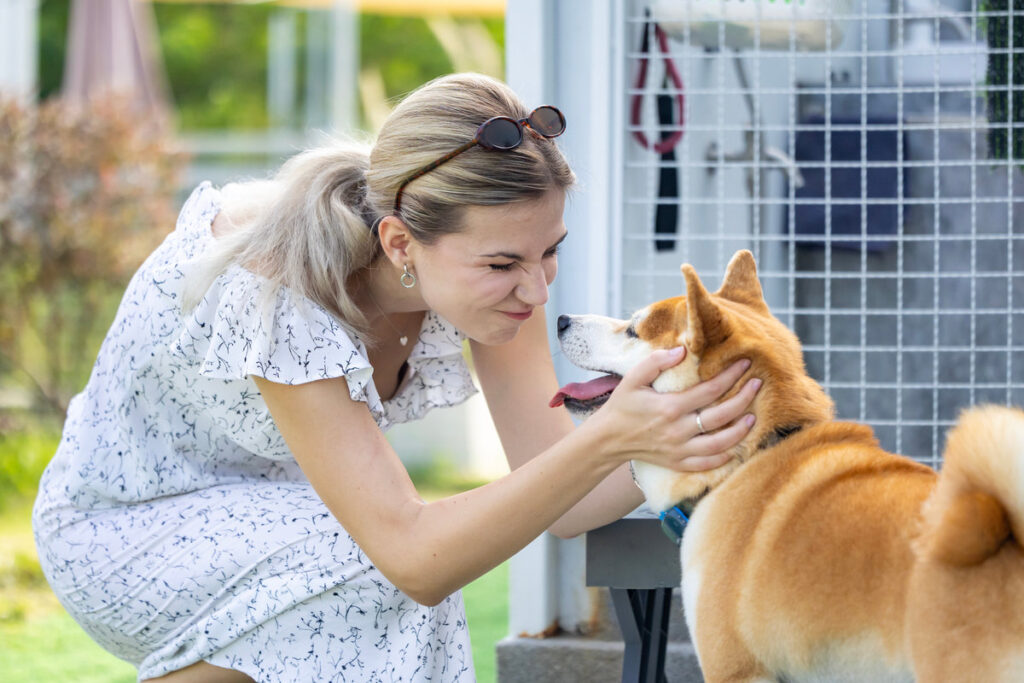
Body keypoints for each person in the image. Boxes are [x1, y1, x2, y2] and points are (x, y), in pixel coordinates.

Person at [32, 73, 761, 682]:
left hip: (279, 519)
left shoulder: (493, 267)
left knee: (393, 562)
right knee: (394, 566)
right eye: (506, 264)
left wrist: (690, 426)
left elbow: (561, 496)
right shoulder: (280, 282)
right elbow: (415, 555)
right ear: (400, 243)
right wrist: (611, 438)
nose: (538, 290)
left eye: (550, 251)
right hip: (124, 531)